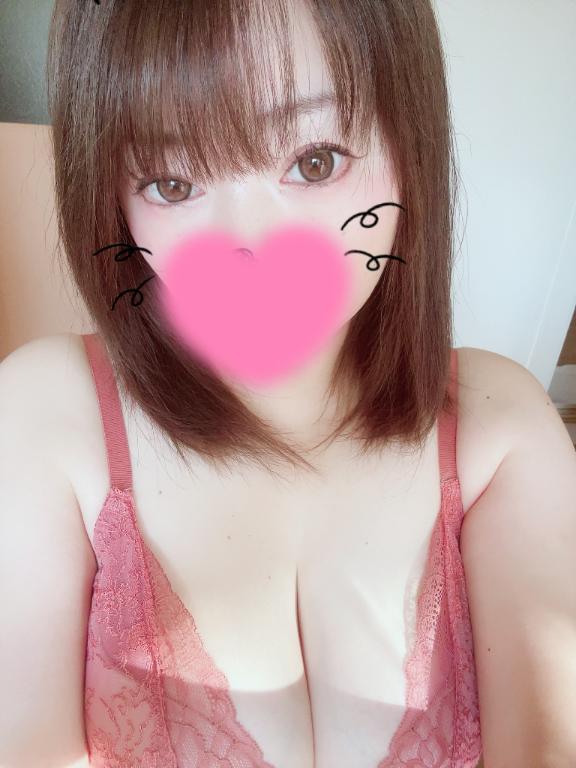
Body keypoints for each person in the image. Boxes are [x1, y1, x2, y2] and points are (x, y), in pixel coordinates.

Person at [2, 1, 575, 767]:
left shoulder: (499, 427)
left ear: (409, 144)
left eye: (315, 161)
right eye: (172, 183)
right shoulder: (46, 416)